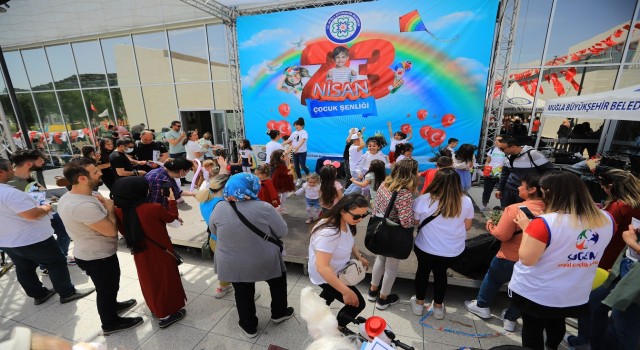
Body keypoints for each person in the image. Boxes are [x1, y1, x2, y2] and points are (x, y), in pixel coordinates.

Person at [509, 171, 613, 350]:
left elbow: (527, 259)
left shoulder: (544, 223)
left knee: (532, 328)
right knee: (557, 322)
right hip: (574, 292)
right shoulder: (606, 219)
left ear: (549, 193)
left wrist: (528, 228)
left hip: (537, 291)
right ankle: (552, 347)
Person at [57, 159, 142, 334]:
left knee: (111, 286)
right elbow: (111, 231)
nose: (101, 173)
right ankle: (110, 323)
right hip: (97, 257)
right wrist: (110, 208)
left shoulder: (77, 196)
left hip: (96, 253)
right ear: (82, 178)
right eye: (95, 172)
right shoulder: (81, 205)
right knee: (106, 290)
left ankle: (113, 306)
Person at [0, 158, 94, 306]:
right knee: (56, 262)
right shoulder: (9, 193)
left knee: (24, 267)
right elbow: (31, 215)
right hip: (32, 238)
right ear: (1, 172)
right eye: (10, 169)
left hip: (7, 241)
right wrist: (45, 207)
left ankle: (39, 294)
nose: (13, 171)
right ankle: (67, 292)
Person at [210, 173, 294, 338]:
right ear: (252, 187)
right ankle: (279, 313)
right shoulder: (264, 208)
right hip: (264, 259)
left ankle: (249, 326)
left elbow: (214, 231)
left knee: (242, 291)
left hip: (233, 261)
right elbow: (282, 231)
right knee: (277, 282)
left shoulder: (219, 206)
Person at [465, 174, 545, 332]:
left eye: (521, 185)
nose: (518, 187)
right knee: (522, 289)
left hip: (509, 256)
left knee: (493, 279)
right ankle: (511, 318)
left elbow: (502, 235)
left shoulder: (515, 209)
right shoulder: (551, 211)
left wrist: (490, 224)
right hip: (536, 260)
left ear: (532, 190)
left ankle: (482, 305)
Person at [112, 177, 187, 329]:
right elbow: (174, 222)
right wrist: (171, 200)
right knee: (166, 281)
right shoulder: (154, 208)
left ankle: (155, 308)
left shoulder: (119, 211)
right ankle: (165, 315)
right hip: (160, 252)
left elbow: (122, 231)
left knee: (149, 281)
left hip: (140, 252)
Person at [411, 168, 474, 319]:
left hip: (425, 247)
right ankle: (438, 307)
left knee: (422, 272)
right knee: (441, 274)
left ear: (436, 181)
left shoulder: (424, 199)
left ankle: (419, 304)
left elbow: (415, 221)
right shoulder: (465, 201)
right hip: (452, 249)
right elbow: (467, 226)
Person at [308, 194, 370, 328]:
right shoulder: (329, 233)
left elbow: (349, 241)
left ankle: (316, 312)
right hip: (326, 275)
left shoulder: (344, 221)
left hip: (337, 269)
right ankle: (338, 328)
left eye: (364, 215)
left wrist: (358, 256)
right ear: (342, 210)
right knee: (357, 304)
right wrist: (347, 292)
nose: (360, 220)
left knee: (329, 295)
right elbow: (323, 268)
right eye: (357, 216)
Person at [9, 149, 74, 266]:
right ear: (29, 163)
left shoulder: (27, 176)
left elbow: (35, 190)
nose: (43, 161)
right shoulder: (11, 182)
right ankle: (51, 262)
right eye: (40, 159)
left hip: (44, 210)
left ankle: (57, 258)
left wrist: (49, 195)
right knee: (63, 233)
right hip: (33, 218)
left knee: (64, 232)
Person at [368, 159, 418, 310]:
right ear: (411, 174)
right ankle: (383, 299)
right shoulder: (404, 193)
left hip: (380, 230)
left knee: (380, 258)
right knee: (391, 267)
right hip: (393, 234)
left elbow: (376, 207)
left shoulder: (384, 184)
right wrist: (416, 221)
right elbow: (406, 222)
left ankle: (372, 291)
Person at [589, 225, 640, 350]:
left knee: (622, 328)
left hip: (635, 278)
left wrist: (632, 243)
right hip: (625, 266)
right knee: (595, 305)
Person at [495, 135, 553, 208]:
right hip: (509, 190)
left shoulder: (533, 154)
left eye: (502, 149)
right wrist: (500, 189)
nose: (501, 151)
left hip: (527, 192)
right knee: (507, 211)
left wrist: (542, 188)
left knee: (524, 212)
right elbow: (504, 174)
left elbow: (549, 171)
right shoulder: (507, 157)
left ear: (513, 147)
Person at [481, 137, 507, 211]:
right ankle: (484, 204)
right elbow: (487, 161)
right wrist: (487, 170)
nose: (496, 141)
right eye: (496, 140)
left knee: (502, 191)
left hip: (501, 174)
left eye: (499, 140)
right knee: (487, 190)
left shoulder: (506, 151)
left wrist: (501, 169)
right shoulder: (492, 149)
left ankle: (503, 207)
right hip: (490, 173)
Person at [283, 117, 309, 186]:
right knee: (296, 166)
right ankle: (299, 178)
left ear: (301, 125)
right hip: (295, 152)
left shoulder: (304, 132)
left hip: (302, 152)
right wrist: (281, 144)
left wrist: (297, 148)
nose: (295, 126)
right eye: (294, 125)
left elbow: (302, 141)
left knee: (303, 166)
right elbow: (289, 140)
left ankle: (309, 176)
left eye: (297, 125)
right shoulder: (294, 133)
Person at [270, 149, 295, 214]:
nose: (288, 157)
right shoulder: (281, 165)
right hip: (280, 181)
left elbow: (282, 172)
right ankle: (280, 207)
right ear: (281, 157)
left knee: (281, 194)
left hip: (281, 180)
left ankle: (280, 207)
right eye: (286, 156)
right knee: (282, 194)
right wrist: (288, 173)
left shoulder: (281, 163)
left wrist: (288, 170)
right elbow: (279, 173)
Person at [165, 121, 190, 186]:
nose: (179, 127)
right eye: (178, 126)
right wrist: (181, 137)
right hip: (175, 152)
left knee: (183, 166)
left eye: (180, 126)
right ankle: (177, 180)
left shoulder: (180, 133)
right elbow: (173, 143)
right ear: (173, 126)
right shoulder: (169, 134)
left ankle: (183, 179)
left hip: (183, 151)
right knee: (176, 167)